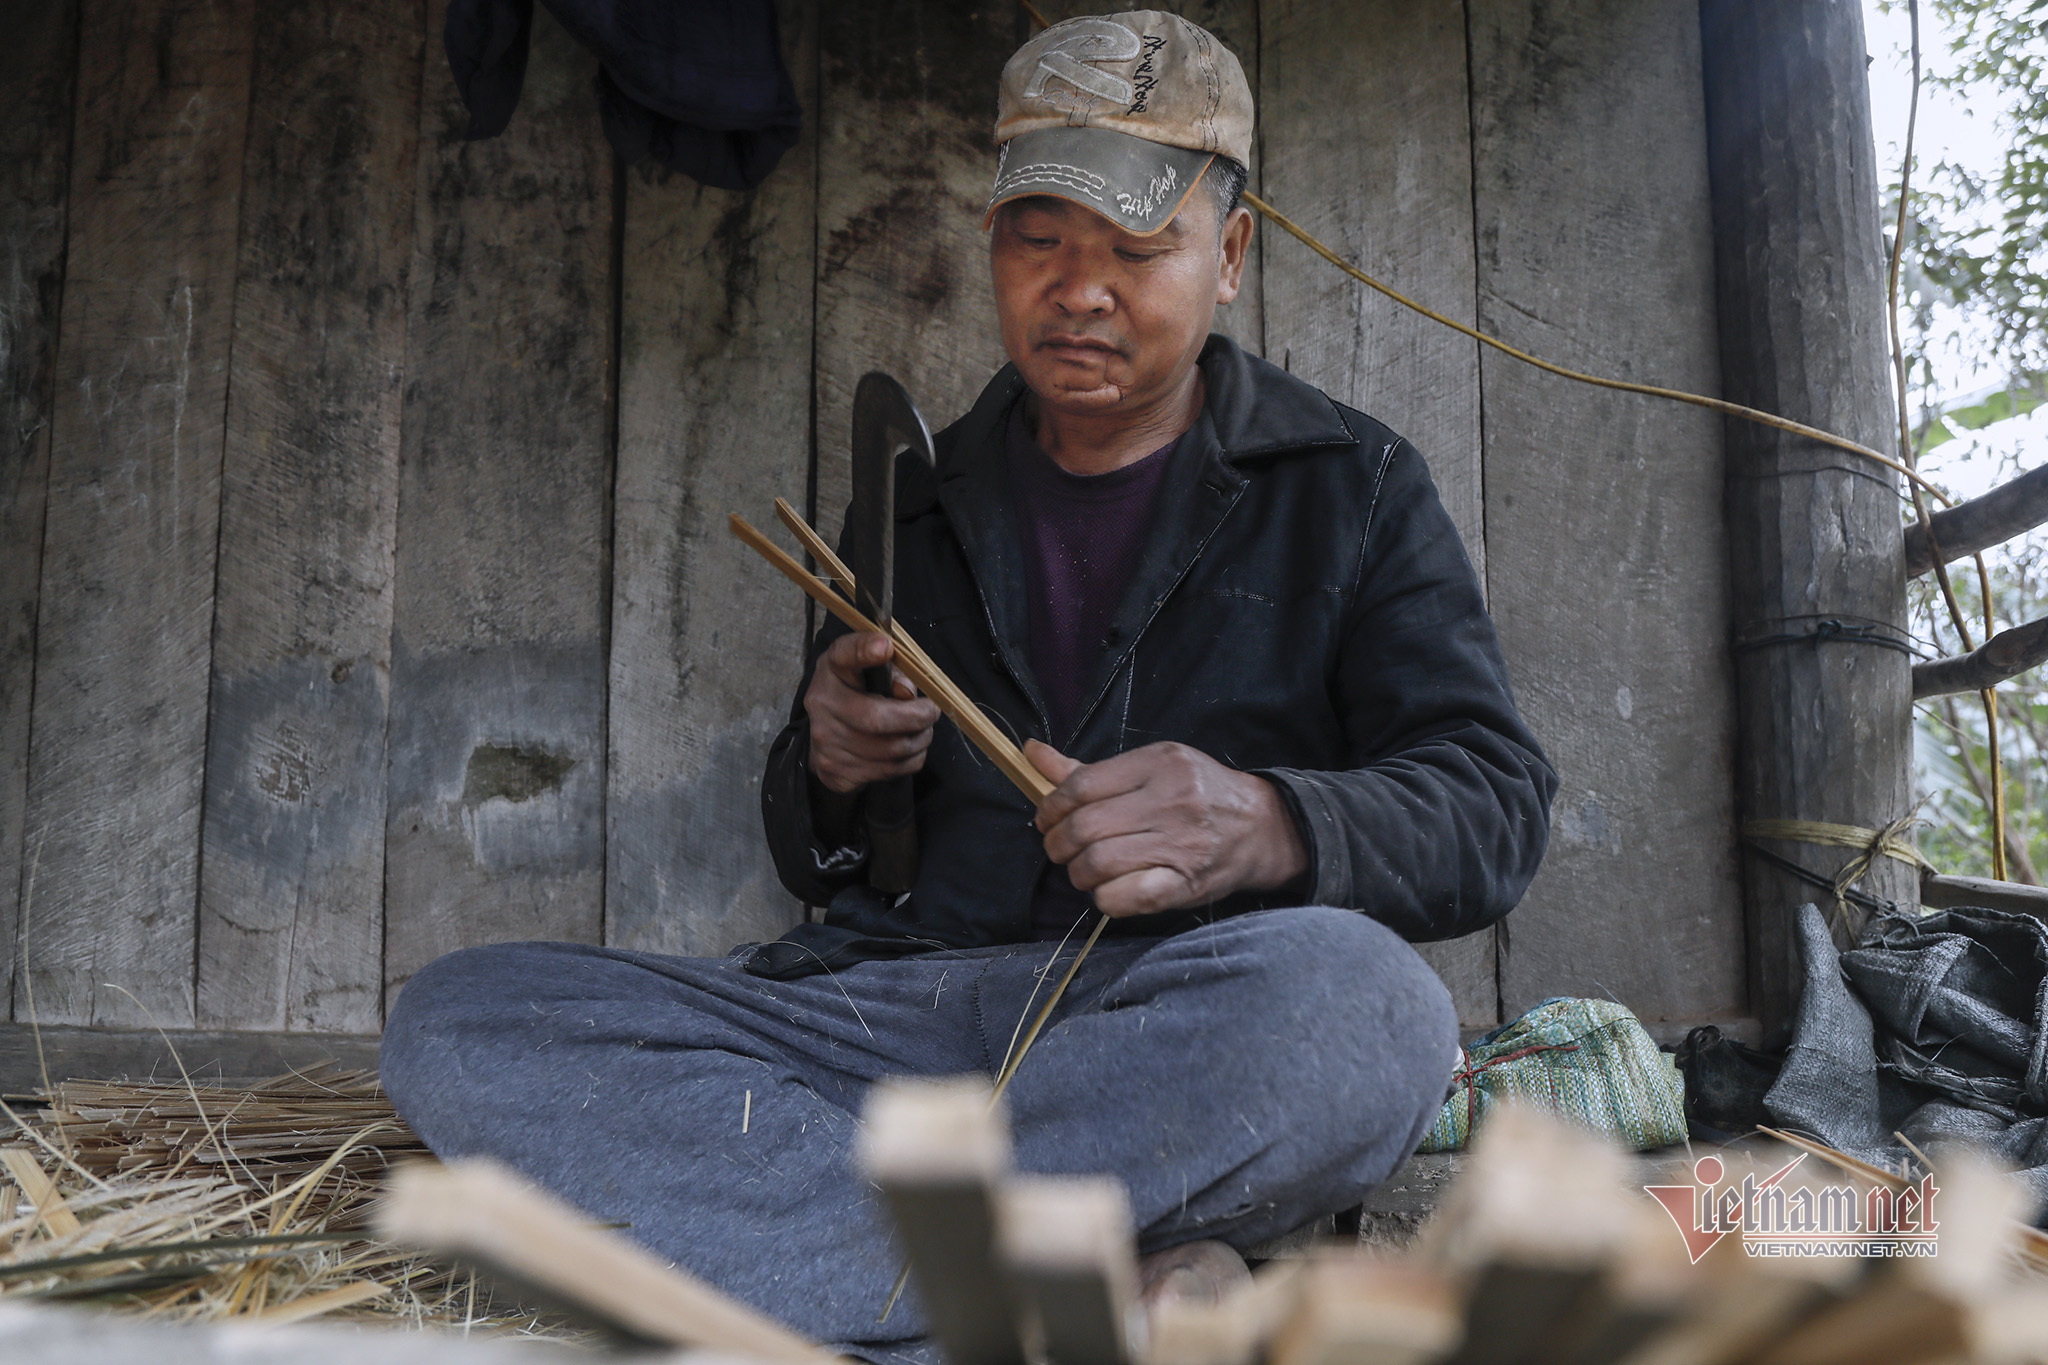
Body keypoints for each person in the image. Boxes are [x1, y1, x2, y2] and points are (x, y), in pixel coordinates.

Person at [381, 10, 1554, 1359]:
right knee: (461, 1020)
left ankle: (842, 1266)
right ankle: (1079, 1286)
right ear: (991, 243)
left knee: (1371, 1012)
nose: (1081, 288)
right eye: (1039, 238)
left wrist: (1266, 820)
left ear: (1228, 256)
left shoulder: (1350, 487)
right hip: (891, 1018)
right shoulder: (919, 498)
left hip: (1158, 1025)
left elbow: (1495, 804)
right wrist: (831, 764)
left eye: (1135, 246)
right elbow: (821, 856)